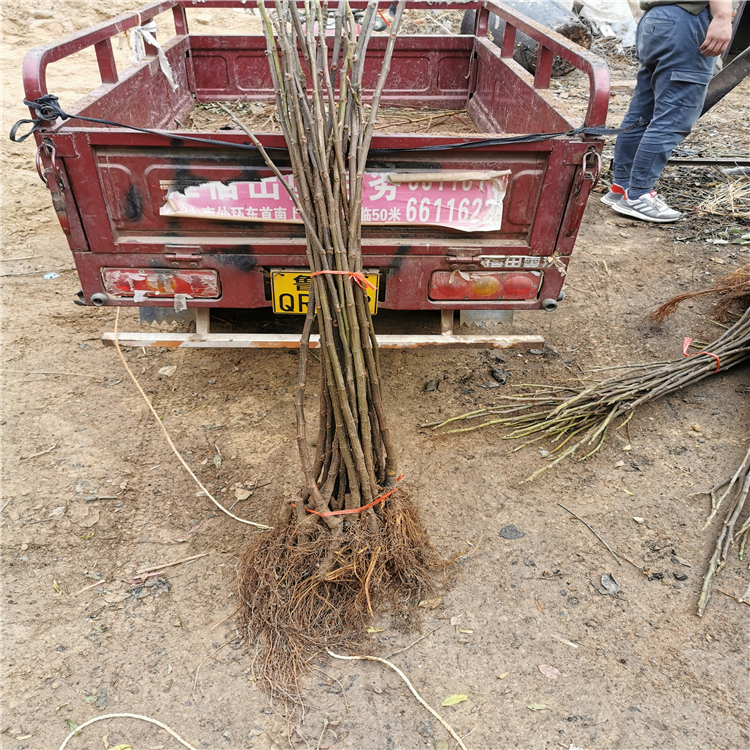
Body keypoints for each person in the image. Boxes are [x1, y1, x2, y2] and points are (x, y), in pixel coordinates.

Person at [601, 0, 735, 223]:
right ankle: (638, 194)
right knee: (674, 117)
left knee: (643, 113)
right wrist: (722, 15)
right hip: (687, 22)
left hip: (657, 19)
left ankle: (621, 186)